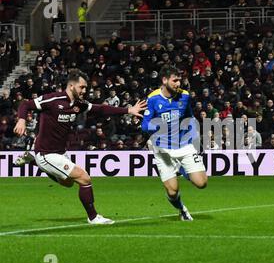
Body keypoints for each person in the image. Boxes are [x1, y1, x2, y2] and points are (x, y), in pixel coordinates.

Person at [13, 69, 147, 224]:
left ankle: (32, 161)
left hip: (61, 153)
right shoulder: (53, 99)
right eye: (82, 87)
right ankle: (93, 217)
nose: (84, 91)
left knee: (68, 183)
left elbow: (101, 109)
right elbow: (25, 104)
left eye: (85, 88)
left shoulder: (79, 104)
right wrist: (21, 120)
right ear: (71, 86)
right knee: (84, 178)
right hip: (46, 153)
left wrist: (128, 110)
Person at [141, 65, 207, 221]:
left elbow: (190, 117)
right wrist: (159, 126)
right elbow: (145, 125)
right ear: (165, 80)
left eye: (180, 80)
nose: (179, 83)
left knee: (201, 183)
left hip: (184, 144)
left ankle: (181, 168)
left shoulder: (184, 96)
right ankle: (182, 209)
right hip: (162, 148)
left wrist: (195, 136)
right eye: (175, 80)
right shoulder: (153, 98)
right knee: (172, 192)